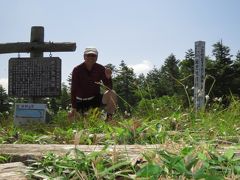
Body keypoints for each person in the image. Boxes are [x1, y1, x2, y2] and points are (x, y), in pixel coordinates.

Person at [68, 47, 117, 121]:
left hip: (95, 100)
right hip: (80, 102)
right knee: (71, 117)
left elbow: (108, 88)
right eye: (88, 55)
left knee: (112, 93)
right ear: (84, 57)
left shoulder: (101, 68)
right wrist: (73, 107)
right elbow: (73, 89)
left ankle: (109, 119)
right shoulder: (77, 69)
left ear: (96, 57)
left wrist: (108, 78)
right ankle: (83, 117)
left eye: (93, 55)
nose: (91, 57)